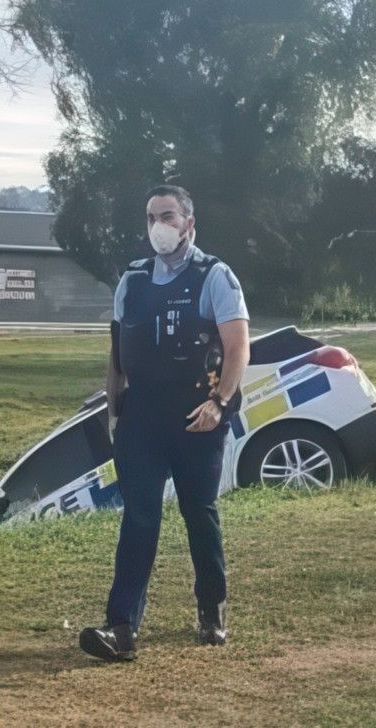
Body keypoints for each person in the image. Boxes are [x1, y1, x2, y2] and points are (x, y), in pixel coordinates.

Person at [78, 184, 250, 663]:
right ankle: (121, 628)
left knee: (200, 512)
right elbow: (117, 356)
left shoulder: (215, 276)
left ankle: (211, 610)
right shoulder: (131, 280)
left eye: (169, 216)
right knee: (139, 518)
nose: (160, 225)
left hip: (197, 415)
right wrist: (114, 414)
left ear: (189, 223)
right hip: (141, 420)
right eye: (152, 216)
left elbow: (237, 348)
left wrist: (219, 402)